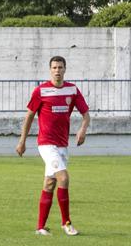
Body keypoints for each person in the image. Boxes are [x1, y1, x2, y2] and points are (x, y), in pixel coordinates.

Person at [16, 56, 90, 236]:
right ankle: (66, 223)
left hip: (62, 144)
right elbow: (29, 116)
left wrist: (82, 130)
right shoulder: (41, 91)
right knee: (63, 178)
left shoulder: (72, 90)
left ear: (65, 69)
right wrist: (22, 141)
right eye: (54, 67)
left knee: (50, 183)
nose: (57, 70)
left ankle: (40, 227)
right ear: (50, 70)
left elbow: (86, 114)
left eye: (60, 67)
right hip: (46, 144)